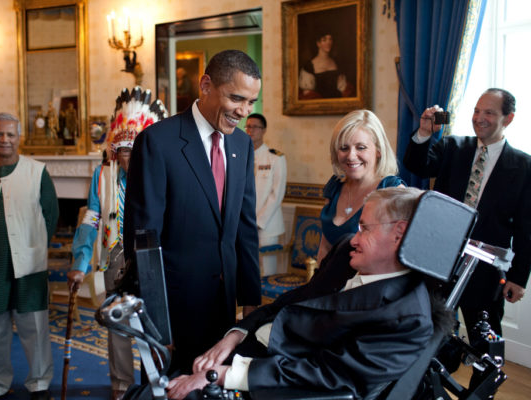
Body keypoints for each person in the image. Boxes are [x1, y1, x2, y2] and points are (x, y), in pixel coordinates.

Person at [166, 187, 441, 400]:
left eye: (365, 229)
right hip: (250, 348)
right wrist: (235, 335)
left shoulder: (407, 317)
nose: (354, 238)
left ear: (399, 233)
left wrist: (222, 375)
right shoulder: (347, 253)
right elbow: (289, 302)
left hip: (276, 382)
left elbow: (329, 375)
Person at [124, 50, 262, 373]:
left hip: (225, 307)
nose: (243, 111)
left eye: (251, 102)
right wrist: (156, 321)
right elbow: (143, 239)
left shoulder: (242, 146)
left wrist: (251, 305)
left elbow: (245, 228)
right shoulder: (157, 142)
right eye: (236, 98)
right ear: (206, 85)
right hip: (175, 313)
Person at [403, 88, 531, 338]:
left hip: (485, 270)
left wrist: (518, 277)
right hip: (438, 260)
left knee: (485, 340)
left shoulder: (524, 166)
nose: (479, 118)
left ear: (509, 118)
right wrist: (424, 133)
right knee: (430, 334)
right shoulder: (452, 147)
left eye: (489, 113)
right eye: (476, 111)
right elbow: (416, 166)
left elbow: (527, 228)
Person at [68, 88, 166, 400]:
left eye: (137, 150)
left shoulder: (158, 174)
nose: (131, 157)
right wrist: (79, 263)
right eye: (125, 151)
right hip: (115, 256)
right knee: (117, 321)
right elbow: (91, 220)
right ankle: (121, 383)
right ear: (115, 152)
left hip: (153, 257)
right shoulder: (102, 176)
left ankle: (157, 381)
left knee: (155, 323)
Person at [0, 112, 59, 400]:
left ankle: (40, 383)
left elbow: (51, 215)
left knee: (34, 327)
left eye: (10, 134)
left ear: (19, 137)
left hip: (28, 265)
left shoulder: (37, 171)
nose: (4, 140)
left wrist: (33, 247)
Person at [317, 110, 404, 265]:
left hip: (368, 286)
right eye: (344, 148)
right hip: (330, 284)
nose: (351, 156)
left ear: (378, 150)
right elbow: (325, 248)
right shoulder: (334, 187)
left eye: (361, 147)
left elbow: (402, 254)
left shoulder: (392, 190)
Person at [245, 113, 287, 275]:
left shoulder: (275, 158)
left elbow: (277, 194)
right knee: (247, 271)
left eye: (255, 127)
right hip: (244, 223)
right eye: (248, 126)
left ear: (264, 130)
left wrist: (258, 221)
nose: (251, 130)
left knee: (267, 272)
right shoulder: (240, 156)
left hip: (267, 225)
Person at [298, 32, 354, 100]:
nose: (328, 42)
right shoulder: (309, 66)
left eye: (330, 39)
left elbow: (343, 88)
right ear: (318, 43)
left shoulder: (337, 63)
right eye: (324, 40)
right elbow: (308, 94)